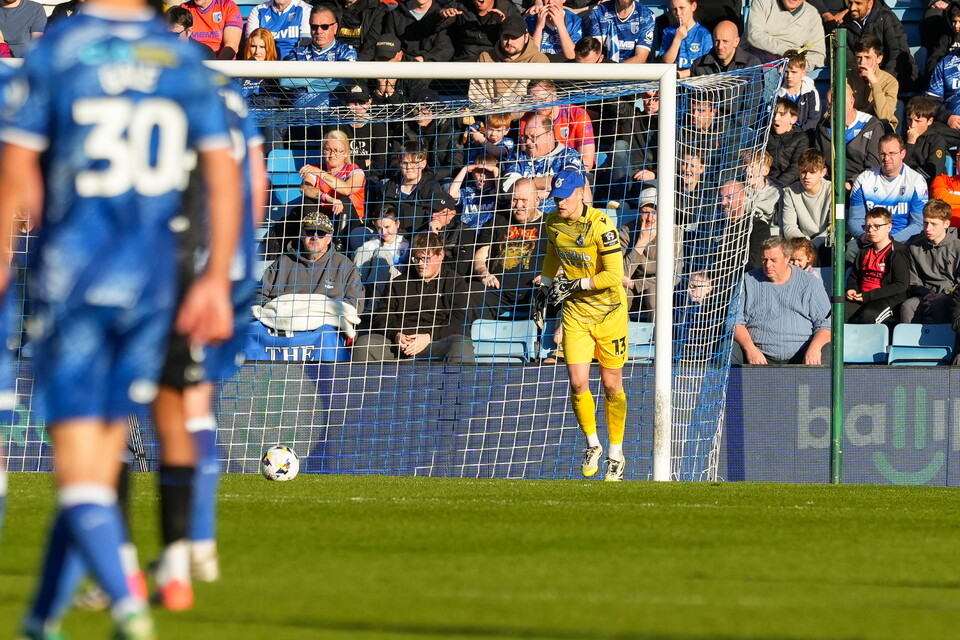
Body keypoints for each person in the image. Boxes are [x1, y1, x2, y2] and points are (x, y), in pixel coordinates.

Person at [0, 0, 242, 633]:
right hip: (155, 285)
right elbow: (226, 178)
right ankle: (41, 620)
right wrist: (215, 279)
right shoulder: (184, 60)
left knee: (81, 467)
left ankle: (128, 603)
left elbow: (15, 175)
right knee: (105, 454)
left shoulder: (62, 52)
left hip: (76, 284)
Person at [536, 170, 627, 481]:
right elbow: (553, 252)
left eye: (564, 198)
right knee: (577, 383)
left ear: (580, 194)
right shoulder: (552, 222)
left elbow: (613, 275)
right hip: (576, 314)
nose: (559, 203)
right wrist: (544, 287)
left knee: (611, 385)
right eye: (556, 198)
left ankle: (616, 452)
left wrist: (574, 284)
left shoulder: (602, 225)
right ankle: (592, 444)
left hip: (609, 313)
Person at [354, 232, 474, 363]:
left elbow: (460, 321)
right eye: (416, 259)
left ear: (440, 255)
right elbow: (382, 316)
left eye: (426, 258)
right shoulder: (399, 283)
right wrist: (396, 335)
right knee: (364, 344)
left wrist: (429, 337)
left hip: (436, 344)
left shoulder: (456, 283)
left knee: (461, 345)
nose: (420, 264)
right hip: (400, 345)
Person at [733, 237, 832, 365]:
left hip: (802, 353)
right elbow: (734, 321)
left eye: (773, 260)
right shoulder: (748, 281)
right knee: (729, 347)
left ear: (787, 258)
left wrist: (815, 348)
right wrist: (750, 348)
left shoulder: (810, 282)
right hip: (758, 354)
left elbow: (825, 323)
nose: (768, 265)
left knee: (827, 349)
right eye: (764, 259)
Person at [259, 211, 363, 311]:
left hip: (327, 320)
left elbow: (355, 303)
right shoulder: (283, 262)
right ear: (302, 234)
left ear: (329, 237)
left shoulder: (345, 266)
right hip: (284, 318)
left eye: (321, 233)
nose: (315, 237)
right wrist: (279, 310)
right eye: (310, 231)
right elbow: (258, 295)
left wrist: (319, 311)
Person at [474, 178, 549, 317]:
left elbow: (564, 262)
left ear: (537, 200)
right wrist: (484, 274)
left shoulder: (550, 225)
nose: (518, 205)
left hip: (535, 291)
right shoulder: (498, 220)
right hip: (496, 292)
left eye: (524, 200)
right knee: (470, 294)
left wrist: (550, 277)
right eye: (514, 200)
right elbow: (479, 257)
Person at [848, 134, 928, 260]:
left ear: (903, 154)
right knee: (847, 251)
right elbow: (855, 219)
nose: (886, 158)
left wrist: (889, 240)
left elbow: (918, 224)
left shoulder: (916, 181)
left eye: (892, 153)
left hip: (903, 240)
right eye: (882, 154)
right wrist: (866, 236)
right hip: (870, 238)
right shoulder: (864, 179)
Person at [501, 112, 587, 216]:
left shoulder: (569, 156)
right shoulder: (517, 158)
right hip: (521, 222)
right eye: (525, 137)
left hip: (559, 221)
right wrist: (549, 191)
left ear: (550, 135)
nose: (528, 142)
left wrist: (528, 187)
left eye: (533, 137)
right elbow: (508, 188)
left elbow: (569, 183)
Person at [280, 3, 357, 108]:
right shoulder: (297, 53)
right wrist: (327, 79)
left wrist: (306, 84)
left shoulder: (345, 52)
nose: (319, 31)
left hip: (333, 115)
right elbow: (284, 81)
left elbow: (344, 81)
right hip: (299, 115)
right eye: (314, 27)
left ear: (335, 28)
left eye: (325, 27)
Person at [299, 129, 367, 249]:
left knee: (344, 199)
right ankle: (310, 239)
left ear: (346, 153)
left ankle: (338, 247)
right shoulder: (316, 169)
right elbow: (305, 188)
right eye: (328, 149)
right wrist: (328, 198)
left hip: (350, 221)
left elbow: (347, 189)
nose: (332, 154)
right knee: (309, 199)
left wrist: (321, 173)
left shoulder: (355, 170)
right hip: (324, 219)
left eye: (337, 150)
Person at [468, 15, 550, 108]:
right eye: (506, 37)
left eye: (515, 37)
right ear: (500, 36)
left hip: (526, 115)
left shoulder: (538, 61)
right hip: (489, 115)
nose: (509, 42)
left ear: (526, 37)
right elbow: (477, 98)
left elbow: (541, 101)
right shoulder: (486, 58)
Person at [845, 207, 909, 324]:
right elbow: (854, 276)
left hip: (887, 299)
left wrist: (869, 296)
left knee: (868, 316)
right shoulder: (864, 251)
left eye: (876, 226)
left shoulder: (897, 252)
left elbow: (901, 285)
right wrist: (852, 288)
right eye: (868, 226)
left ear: (889, 227)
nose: (871, 230)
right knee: (837, 313)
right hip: (862, 295)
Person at [816, 82, 884, 189]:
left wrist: (851, 184)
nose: (831, 108)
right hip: (829, 186)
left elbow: (873, 167)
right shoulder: (823, 127)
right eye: (829, 104)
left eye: (836, 103)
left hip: (861, 187)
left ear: (851, 103)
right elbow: (818, 161)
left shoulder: (872, 126)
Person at [902, 198, 960, 323]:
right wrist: (927, 293)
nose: (928, 228)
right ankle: (908, 336)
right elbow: (914, 280)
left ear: (946, 224)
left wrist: (945, 294)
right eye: (925, 222)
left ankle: (943, 336)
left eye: (934, 224)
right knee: (908, 306)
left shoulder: (957, 246)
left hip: (950, 295)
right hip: (925, 294)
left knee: (940, 304)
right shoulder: (914, 246)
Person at [842, 0, 919, 92]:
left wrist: (880, 82)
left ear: (870, 3)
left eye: (858, 3)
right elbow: (848, 61)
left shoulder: (887, 18)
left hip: (895, 80)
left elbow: (897, 53)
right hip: (861, 84)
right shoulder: (844, 25)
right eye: (850, 3)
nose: (852, 8)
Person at [523, 80, 596, 172]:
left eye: (542, 101)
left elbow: (587, 163)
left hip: (573, 172)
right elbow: (526, 160)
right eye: (533, 103)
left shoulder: (577, 115)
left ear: (554, 96)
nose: (538, 107)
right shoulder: (528, 120)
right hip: (538, 173)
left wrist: (559, 177)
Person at [379, 141, 450, 232]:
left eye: (414, 163)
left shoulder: (431, 187)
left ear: (423, 164)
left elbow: (441, 216)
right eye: (405, 163)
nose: (409, 167)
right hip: (393, 235)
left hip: (420, 236)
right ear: (399, 163)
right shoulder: (390, 187)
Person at [353, 205, 409, 311]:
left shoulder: (405, 244)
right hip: (369, 285)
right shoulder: (372, 244)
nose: (383, 232)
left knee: (381, 252)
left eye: (387, 227)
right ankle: (359, 297)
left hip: (395, 283)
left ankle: (375, 300)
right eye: (379, 228)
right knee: (361, 251)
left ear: (397, 223)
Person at [743, 0, 826, 70]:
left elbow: (818, 55)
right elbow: (754, 35)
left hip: (792, 65)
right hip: (757, 58)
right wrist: (787, 52)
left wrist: (797, 66)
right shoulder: (762, 2)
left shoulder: (812, 14)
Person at [782, 148, 833, 253]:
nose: (807, 177)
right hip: (801, 245)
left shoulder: (832, 190)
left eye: (812, 172)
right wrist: (805, 245)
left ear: (823, 172)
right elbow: (789, 227)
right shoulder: (790, 191)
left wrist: (814, 245)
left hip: (826, 242)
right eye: (803, 172)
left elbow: (833, 228)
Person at [440, 0, 523, 62]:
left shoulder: (508, 9)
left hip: (494, 62)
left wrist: (504, 23)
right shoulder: (459, 5)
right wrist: (442, 16)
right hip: (463, 62)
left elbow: (519, 40)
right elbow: (437, 31)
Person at [848, 35, 899, 131]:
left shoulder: (890, 82)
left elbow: (884, 116)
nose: (862, 62)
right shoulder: (847, 77)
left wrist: (874, 83)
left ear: (879, 59)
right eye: (859, 57)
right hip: (852, 124)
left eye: (867, 57)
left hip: (877, 127)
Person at [583, 0, 655, 64]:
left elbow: (640, 57)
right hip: (604, 67)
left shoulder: (646, 15)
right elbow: (596, 52)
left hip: (632, 70)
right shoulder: (599, 12)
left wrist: (616, 71)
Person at [381, 0, 453, 62]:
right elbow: (388, 45)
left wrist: (423, 59)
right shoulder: (395, 14)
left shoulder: (443, 15)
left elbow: (445, 49)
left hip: (431, 68)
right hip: (402, 67)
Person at [657, 0, 712, 77]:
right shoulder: (669, 32)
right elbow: (666, 62)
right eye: (674, 9)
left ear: (693, 7)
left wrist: (683, 74)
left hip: (695, 80)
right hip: (672, 80)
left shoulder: (704, 34)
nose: (678, 13)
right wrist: (677, 39)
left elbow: (707, 67)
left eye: (682, 8)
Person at [448, 153, 501, 231]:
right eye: (478, 171)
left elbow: (502, 195)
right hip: (465, 232)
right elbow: (451, 194)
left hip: (486, 233)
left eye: (487, 171)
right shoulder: (469, 191)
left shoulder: (496, 191)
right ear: (472, 173)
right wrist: (464, 170)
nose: (481, 175)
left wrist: (495, 170)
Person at [244, 0, 311, 60]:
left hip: (294, 64)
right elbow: (251, 44)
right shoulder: (258, 11)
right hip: (266, 64)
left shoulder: (305, 9)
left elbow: (305, 45)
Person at [690, 19, 760, 76]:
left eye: (725, 41)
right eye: (717, 41)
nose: (720, 46)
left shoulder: (751, 65)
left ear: (736, 42)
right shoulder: (699, 65)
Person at [774, 50, 822, 132]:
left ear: (803, 73)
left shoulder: (811, 93)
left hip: (805, 135)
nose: (789, 76)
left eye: (794, 72)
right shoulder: (777, 93)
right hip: (783, 135)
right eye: (786, 72)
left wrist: (797, 134)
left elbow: (813, 120)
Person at [904, 95, 950, 182]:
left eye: (918, 121)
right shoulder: (902, 139)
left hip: (929, 184)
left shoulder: (936, 140)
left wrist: (911, 177)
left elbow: (933, 170)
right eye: (909, 120)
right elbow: (898, 167)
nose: (912, 125)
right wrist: (910, 144)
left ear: (930, 121)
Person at [767, 98, 808, 188]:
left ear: (793, 120)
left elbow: (796, 167)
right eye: (774, 114)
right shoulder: (766, 135)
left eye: (782, 115)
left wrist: (778, 185)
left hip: (790, 185)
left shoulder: (801, 138)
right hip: (768, 182)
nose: (776, 118)